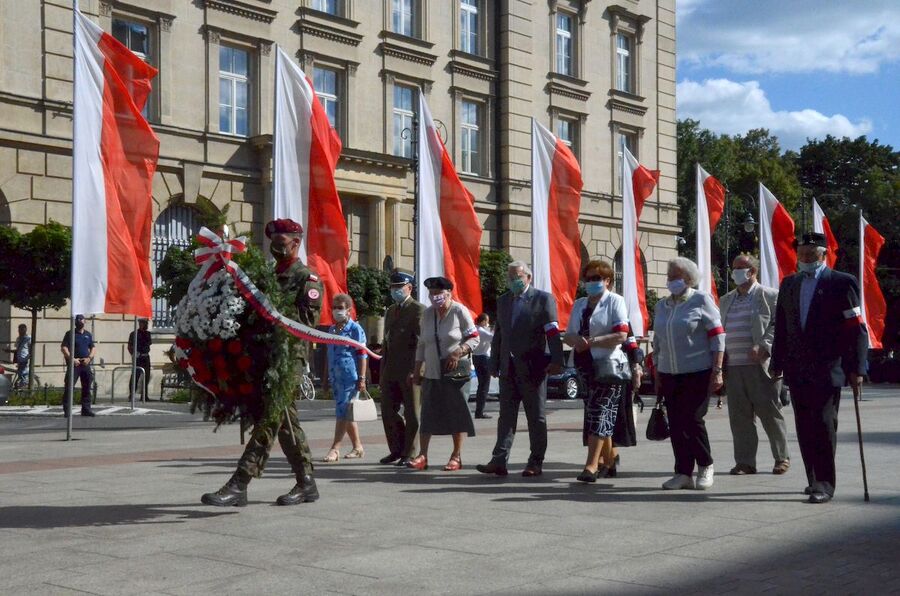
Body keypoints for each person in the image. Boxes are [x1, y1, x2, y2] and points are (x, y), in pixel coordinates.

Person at [202, 218, 323, 507]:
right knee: (285, 424)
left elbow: (306, 325)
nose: (276, 248)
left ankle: (240, 482)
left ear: (296, 243)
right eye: (273, 243)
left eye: (282, 243)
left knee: (271, 418)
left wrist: (274, 316)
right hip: (262, 356)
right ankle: (307, 484)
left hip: (287, 360)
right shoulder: (266, 275)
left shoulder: (307, 279)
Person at [770, 233, 868, 504]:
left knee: (824, 425)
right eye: (801, 254)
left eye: (810, 254)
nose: (804, 259)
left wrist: (857, 367)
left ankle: (825, 483)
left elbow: (855, 327)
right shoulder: (789, 284)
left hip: (828, 368)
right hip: (797, 369)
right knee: (804, 427)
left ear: (823, 254)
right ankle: (813, 480)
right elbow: (782, 328)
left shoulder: (841, 282)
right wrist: (777, 362)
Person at [477, 261, 565, 477]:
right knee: (506, 417)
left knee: (536, 417)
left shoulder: (543, 299)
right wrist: (494, 362)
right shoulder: (503, 300)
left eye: (517, 276)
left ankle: (535, 461)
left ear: (528, 277)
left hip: (534, 368)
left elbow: (552, 332)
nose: (513, 280)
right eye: (510, 277)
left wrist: (557, 360)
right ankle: (499, 460)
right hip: (508, 368)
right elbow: (499, 334)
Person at [652, 257, 725, 490]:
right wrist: (656, 371)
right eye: (669, 276)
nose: (670, 280)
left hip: (698, 371)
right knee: (676, 423)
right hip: (669, 372)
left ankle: (706, 465)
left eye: (676, 276)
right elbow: (658, 341)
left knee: (693, 419)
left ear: (689, 279)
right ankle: (683, 472)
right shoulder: (661, 306)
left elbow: (718, 336)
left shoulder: (701, 300)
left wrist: (718, 370)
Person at [719, 254, 790, 476]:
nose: (737, 272)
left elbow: (779, 325)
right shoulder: (725, 300)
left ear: (753, 271)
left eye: (742, 268)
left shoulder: (769, 296)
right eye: (734, 268)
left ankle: (781, 457)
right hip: (733, 366)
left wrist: (764, 345)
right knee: (739, 418)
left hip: (761, 366)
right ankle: (745, 462)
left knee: (770, 413)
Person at [564, 260, 630, 483]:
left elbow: (621, 334)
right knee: (598, 411)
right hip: (584, 365)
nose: (591, 282)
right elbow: (569, 334)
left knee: (600, 412)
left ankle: (591, 465)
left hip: (608, 365)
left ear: (607, 280)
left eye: (596, 278)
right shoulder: (580, 303)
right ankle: (610, 458)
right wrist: (577, 340)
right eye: (588, 278)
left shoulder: (615, 301)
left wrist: (592, 341)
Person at [407, 276, 479, 471]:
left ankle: (456, 456)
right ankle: (423, 456)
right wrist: (416, 371)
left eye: (438, 293)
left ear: (448, 293)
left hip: (454, 373)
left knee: (457, 414)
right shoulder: (428, 314)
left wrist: (459, 351)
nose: (434, 297)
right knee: (428, 415)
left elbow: (474, 337)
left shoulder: (459, 311)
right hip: (431, 371)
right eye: (431, 294)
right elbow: (422, 344)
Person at [379, 270, 424, 467]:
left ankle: (410, 452)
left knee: (412, 412)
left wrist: (417, 369)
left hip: (409, 368)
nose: (395, 291)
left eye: (399, 287)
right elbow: (387, 341)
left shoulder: (418, 310)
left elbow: (422, 343)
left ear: (409, 288)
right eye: (393, 287)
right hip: (390, 368)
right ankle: (396, 449)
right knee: (388, 410)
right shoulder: (390, 310)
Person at [322, 293, 368, 462]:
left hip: (350, 378)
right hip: (336, 378)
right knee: (346, 412)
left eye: (340, 308)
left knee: (342, 412)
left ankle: (335, 448)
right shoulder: (332, 330)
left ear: (349, 310)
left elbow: (362, 355)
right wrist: (325, 378)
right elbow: (329, 355)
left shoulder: (355, 329)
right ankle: (358, 447)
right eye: (334, 308)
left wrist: (362, 378)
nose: (336, 311)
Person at [61, 314, 96, 417]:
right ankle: (67, 411)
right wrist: (72, 359)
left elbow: (93, 348)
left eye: (82, 320)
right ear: (75, 322)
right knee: (69, 387)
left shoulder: (88, 334)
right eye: (78, 320)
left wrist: (89, 358)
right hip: (74, 364)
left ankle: (86, 409)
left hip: (85, 363)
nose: (80, 321)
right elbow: (64, 348)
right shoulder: (70, 334)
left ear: (85, 322)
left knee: (86, 386)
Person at [472, 313, 494, 419]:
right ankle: (479, 411)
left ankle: (479, 410)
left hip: (476, 357)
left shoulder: (476, 329)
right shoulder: (481, 331)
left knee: (482, 385)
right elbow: (492, 337)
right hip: (483, 358)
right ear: (483, 321)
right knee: (484, 386)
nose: (488, 323)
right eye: (487, 321)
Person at [127, 318, 153, 401]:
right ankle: (131, 395)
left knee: (146, 376)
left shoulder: (148, 334)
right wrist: (133, 354)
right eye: (143, 323)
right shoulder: (134, 334)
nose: (145, 325)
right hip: (137, 357)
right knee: (135, 376)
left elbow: (148, 344)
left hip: (145, 357)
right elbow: (129, 346)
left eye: (146, 323)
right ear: (140, 324)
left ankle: (144, 396)